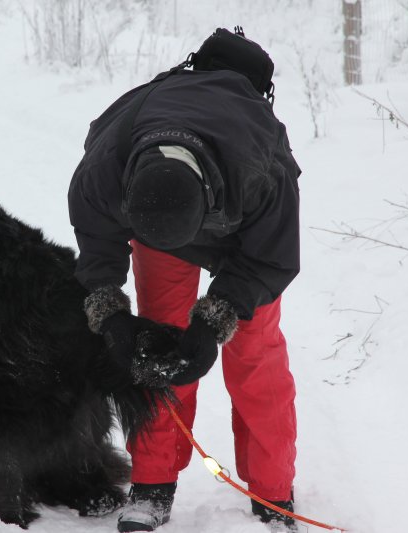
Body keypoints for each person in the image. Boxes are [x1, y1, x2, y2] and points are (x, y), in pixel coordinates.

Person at [67, 52, 302, 532]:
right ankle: (152, 484)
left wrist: (214, 321)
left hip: (244, 233)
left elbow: (271, 260)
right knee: (160, 344)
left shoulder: (262, 169)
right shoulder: (104, 168)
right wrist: (110, 314)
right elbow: (96, 243)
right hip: (158, 221)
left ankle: (273, 493)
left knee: (254, 354)